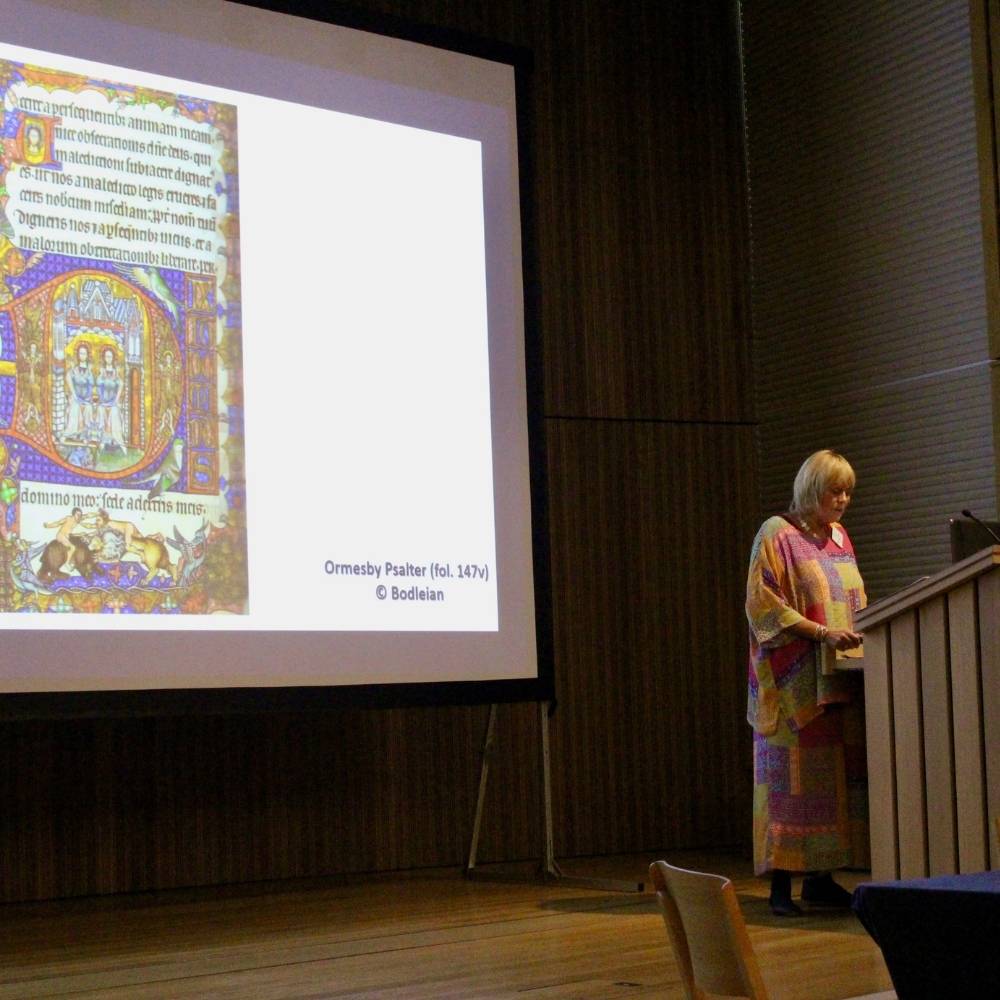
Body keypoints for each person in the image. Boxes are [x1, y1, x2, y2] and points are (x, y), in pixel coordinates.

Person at [745, 449, 868, 916]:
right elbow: (762, 605)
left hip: (836, 679)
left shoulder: (840, 537)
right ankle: (780, 887)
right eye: (835, 490)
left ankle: (821, 878)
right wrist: (820, 632)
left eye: (848, 492)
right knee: (789, 784)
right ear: (812, 489)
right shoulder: (777, 534)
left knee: (829, 782)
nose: (843, 500)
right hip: (792, 684)